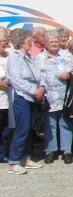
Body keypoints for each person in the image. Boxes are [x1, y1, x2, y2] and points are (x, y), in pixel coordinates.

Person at [37, 30, 73, 164]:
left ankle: (66, 150)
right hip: (48, 97)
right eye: (51, 42)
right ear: (46, 43)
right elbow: (35, 76)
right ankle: (51, 151)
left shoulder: (66, 55)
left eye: (56, 41)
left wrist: (69, 75)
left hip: (65, 96)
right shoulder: (39, 58)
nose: (54, 44)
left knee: (65, 123)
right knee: (50, 125)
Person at [6, 29, 45, 174]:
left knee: (29, 129)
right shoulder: (14, 58)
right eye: (29, 39)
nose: (32, 41)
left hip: (33, 97)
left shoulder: (29, 57)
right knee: (22, 129)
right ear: (22, 41)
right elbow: (16, 80)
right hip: (22, 97)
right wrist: (34, 90)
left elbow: (39, 74)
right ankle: (14, 162)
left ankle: (26, 159)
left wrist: (41, 87)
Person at [0, 30, 10, 163]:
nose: (2, 44)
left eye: (4, 41)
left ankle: (3, 153)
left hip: (9, 100)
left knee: (7, 129)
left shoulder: (9, 56)